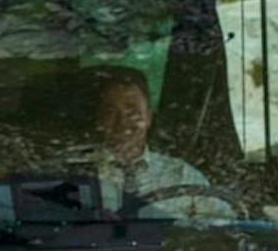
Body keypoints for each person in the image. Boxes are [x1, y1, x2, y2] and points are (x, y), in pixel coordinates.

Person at [91, 65, 224, 217]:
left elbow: (225, 229)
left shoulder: (182, 176)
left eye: (133, 111)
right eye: (110, 112)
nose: (122, 122)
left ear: (149, 117)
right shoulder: (81, 173)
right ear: (100, 120)